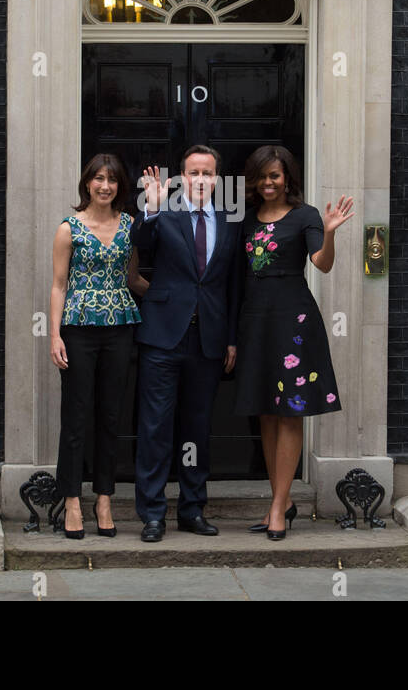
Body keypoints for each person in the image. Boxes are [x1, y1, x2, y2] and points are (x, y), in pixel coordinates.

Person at [233, 145, 354, 540]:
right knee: (266, 413)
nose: (269, 183)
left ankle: (277, 508)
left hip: (294, 322)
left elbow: (321, 262)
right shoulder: (248, 220)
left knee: (290, 411)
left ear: (288, 178)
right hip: (256, 321)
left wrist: (330, 233)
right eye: (262, 176)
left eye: (275, 176)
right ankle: (280, 500)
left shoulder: (306, 215)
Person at [131, 145, 242, 542]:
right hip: (163, 336)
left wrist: (231, 339)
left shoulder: (230, 219)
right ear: (181, 178)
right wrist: (153, 208)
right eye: (192, 173)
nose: (199, 180)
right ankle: (153, 514)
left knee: (197, 428)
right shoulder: (165, 213)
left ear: (217, 179)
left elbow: (232, 285)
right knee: (156, 426)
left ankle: (192, 510)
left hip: (208, 341)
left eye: (207, 173)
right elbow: (140, 244)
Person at [49, 154, 148, 539]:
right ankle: (71, 498)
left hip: (120, 327)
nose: (105, 186)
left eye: (112, 180)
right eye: (98, 179)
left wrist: (176, 298)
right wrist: (55, 334)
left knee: (111, 417)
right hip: (77, 328)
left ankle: (103, 496)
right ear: (87, 183)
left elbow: (134, 278)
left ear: (120, 186)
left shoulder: (129, 226)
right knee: (76, 417)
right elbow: (58, 284)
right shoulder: (68, 229)